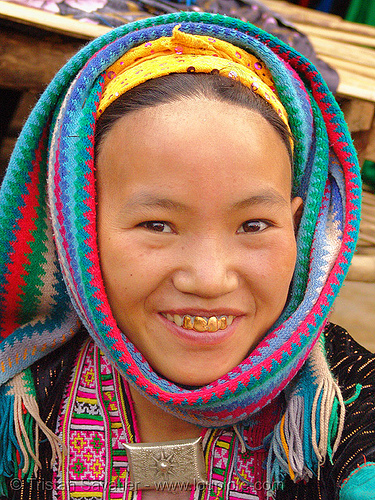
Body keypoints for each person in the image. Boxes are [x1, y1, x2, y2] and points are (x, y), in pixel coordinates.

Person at [0, 11, 373, 500]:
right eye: (157, 225)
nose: (209, 279)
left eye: (254, 225)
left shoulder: (346, 398)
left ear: (298, 228)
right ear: (80, 234)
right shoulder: (25, 404)